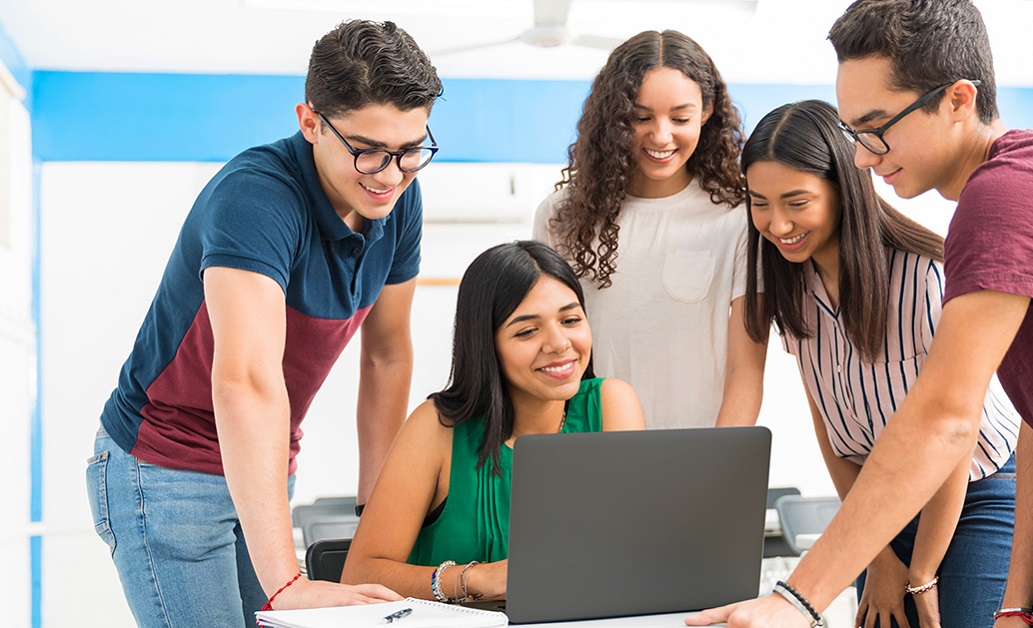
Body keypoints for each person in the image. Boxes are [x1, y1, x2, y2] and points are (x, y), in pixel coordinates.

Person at [688, 1, 1033, 627]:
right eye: (855, 133)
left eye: (878, 128)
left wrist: (797, 600)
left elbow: (944, 421)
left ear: (958, 99)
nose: (864, 158)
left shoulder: (1010, 194)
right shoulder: (1011, 199)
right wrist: (1016, 605)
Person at [84, 20, 442, 627]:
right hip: (167, 465)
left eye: (411, 149)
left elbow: (386, 355)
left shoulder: (399, 198)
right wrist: (284, 584)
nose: (390, 174)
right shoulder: (256, 199)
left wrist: (374, 515)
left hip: (265, 468)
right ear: (310, 122)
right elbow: (247, 380)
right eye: (367, 150)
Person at [740, 99, 1019, 628]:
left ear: (844, 189)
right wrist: (877, 554)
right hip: (882, 498)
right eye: (761, 203)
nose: (777, 224)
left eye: (797, 201)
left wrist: (923, 572)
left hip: (973, 491)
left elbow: (951, 438)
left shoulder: (923, 278)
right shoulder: (791, 289)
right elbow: (829, 425)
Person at [340, 240, 644, 599]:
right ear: (486, 344)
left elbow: (638, 555)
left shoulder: (612, 404)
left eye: (571, 320)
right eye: (527, 331)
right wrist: (476, 580)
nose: (559, 343)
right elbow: (359, 576)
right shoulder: (437, 427)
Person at [533, 30, 766, 429]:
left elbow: (746, 370)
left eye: (680, 118)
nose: (661, 135)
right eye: (640, 118)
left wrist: (720, 465)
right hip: (584, 446)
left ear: (707, 111)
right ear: (616, 117)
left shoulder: (737, 218)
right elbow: (544, 351)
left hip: (695, 454)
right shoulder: (561, 215)